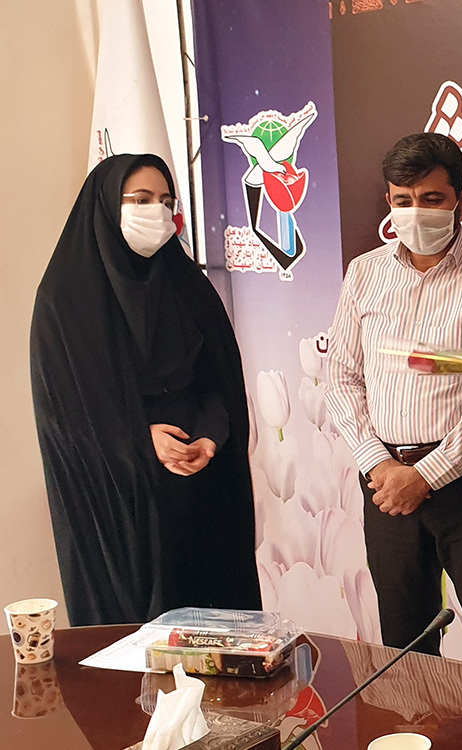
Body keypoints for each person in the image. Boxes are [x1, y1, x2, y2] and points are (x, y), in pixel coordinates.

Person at [30, 153, 262, 626]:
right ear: (106, 206)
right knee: (139, 641)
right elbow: (63, 416)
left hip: (201, 487)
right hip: (120, 504)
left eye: (165, 201)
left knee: (216, 633)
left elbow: (219, 383)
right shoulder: (64, 300)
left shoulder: (188, 287)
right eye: (140, 199)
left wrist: (210, 437)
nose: (156, 211)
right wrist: (141, 438)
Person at [325, 133, 462, 670]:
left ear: (461, 200)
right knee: (404, 647)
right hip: (385, 483)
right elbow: (340, 377)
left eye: (431, 199)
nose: (415, 212)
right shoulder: (364, 273)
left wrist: (427, 475)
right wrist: (381, 466)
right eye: (402, 200)